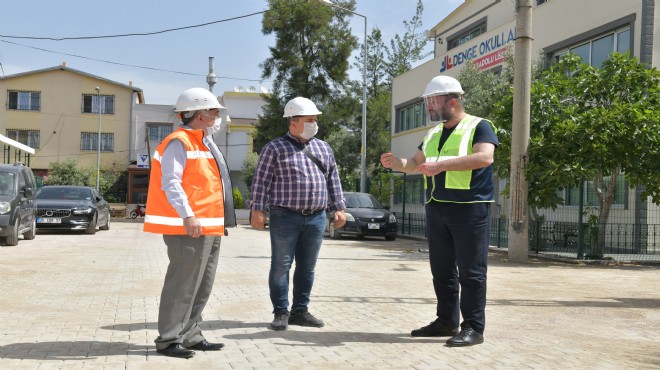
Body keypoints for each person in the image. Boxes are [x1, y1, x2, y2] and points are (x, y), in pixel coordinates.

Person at [380, 76, 498, 347]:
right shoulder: (433, 133)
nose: (429, 107)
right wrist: (394, 163)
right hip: (437, 208)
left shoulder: (480, 126)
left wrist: (442, 166)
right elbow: (413, 163)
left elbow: (484, 157)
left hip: (469, 208)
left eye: (433, 101)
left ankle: (473, 328)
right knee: (442, 270)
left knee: (472, 272)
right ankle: (446, 321)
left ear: (452, 101)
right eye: (428, 102)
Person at [144, 87, 236, 358]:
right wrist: (188, 215)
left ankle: (191, 335)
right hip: (189, 227)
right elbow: (171, 183)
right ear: (199, 114)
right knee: (182, 283)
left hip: (209, 226)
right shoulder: (179, 142)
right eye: (214, 112)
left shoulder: (203, 142)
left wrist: (218, 221)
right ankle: (168, 339)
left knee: (201, 284)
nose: (218, 117)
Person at [250, 97, 346, 331]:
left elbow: (333, 179)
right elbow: (261, 181)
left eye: (315, 119)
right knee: (281, 265)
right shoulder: (274, 148)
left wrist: (339, 207)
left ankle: (300, 311)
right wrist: (257, 210)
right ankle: (281, 312)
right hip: (285, 216)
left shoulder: (323, 148)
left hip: (316, 217)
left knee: (307, 267)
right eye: (309, 120)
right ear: (293, 123)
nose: (315, 124)